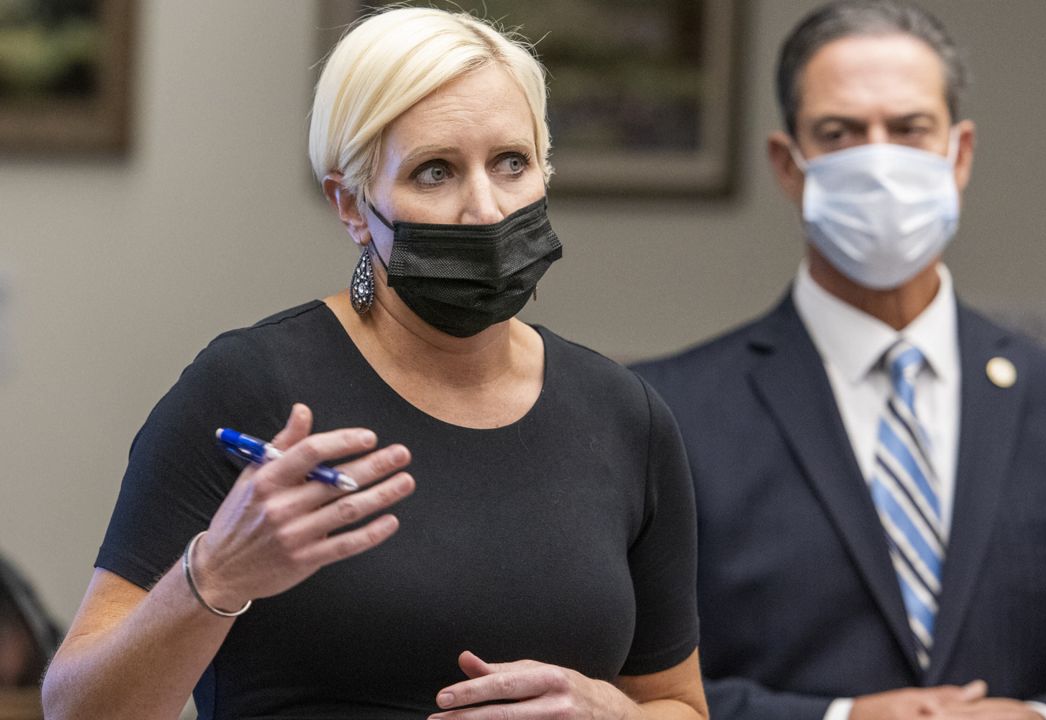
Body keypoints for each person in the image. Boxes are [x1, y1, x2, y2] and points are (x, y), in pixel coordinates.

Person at [41, 8, 707, 720]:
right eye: (435, 172)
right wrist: (216, 574)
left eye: (511, 163)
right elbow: (78, 710)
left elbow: (677, 703)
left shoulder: (623, 416)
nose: (484, 209)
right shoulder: (248, 389)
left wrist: (616, 716)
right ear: (352, 205)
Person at [632, 2, 1046, 719]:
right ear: (788, 164)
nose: (879, 158)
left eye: (908, 129)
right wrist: (840, 719)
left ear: (958, 155)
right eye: (840, 133)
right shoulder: (668, 413)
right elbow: (636, 690)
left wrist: (1037, 719)